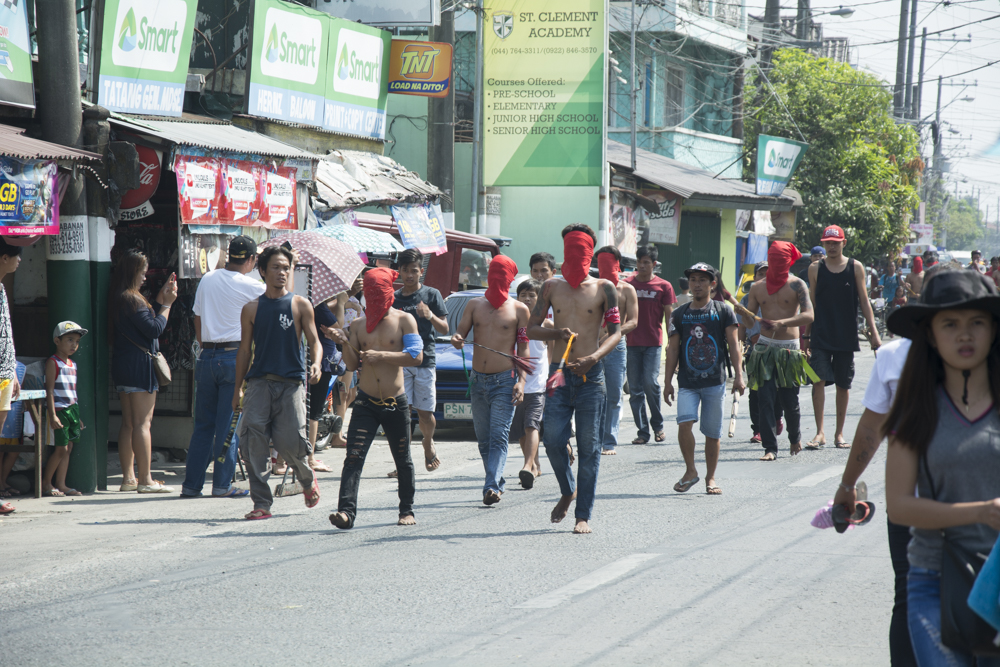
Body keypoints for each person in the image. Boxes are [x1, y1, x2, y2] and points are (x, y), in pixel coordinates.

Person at [883, 268, 1000, 667]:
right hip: (934, 580)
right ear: (931, 335)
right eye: (950, 324)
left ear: (993, 330)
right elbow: (899, 506)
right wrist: (981, 512)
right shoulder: (915, 410)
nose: (964, 335)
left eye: (976, 323)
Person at [529, 225, 621, 534]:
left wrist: (594, 357)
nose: (575, 256)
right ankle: (568, 490)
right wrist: (557, 332)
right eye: (570, 250)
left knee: (589, 447)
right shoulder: (550, 287)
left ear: (590, 254)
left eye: (581, 251)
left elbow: (616, 333)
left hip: (591, 378)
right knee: (553, 440)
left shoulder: (604, 288)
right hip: (559, 374)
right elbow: (532, 329)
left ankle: (583, 515)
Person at [232, 246, 323, 520]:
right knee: (253, 444)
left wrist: (317, 364)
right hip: (259, 384)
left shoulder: (300, 305)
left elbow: (315, 341)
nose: (282, 272)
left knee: (290, 442)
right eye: (276, 267)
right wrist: (237, 388)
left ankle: (306, 479)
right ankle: (262, 503)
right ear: (262, 271)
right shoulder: (251, 309)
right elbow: (245, 351)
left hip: (291, 385)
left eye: (286, 268)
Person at [328, 268, 423, 529]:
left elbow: (416, 357)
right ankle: (346, 512)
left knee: (402, 459)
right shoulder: (359, 325)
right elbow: (351, 364)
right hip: (366, 402)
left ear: (389, 292)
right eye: (370, 292)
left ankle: (406, 510)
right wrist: (344, 341)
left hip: (395, 403)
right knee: (353, 457)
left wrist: (382, 356)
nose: (374, 297)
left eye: (379, 292)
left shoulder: (405, 320)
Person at [181, 236, 264, 499]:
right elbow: (282, 302)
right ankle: (221, 485)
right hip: (233, 358)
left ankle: (191, 486)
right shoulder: (254, 287)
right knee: (228, 425)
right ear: (251, 260)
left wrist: (206, 345)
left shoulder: (207, 279)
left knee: (203, 427)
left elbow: (197, 317)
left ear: (229, 256)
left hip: (206, 356)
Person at [451, 255, 528, 506]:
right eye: (493, 272)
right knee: (484, 440)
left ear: (510, 278)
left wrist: (521, 381)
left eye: (502, 274)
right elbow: (460, 332)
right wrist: (457, 338)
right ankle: (496, 482)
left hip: (504, 381)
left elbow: (523, 349)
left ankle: (491, 486)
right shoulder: (474, 305)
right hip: (477, 381)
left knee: (498, 436)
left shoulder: (519, 309)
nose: (497, 278)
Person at [663, 263, 744, 495]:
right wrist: (667, 382)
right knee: (684, 424)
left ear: (712, 284)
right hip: (687, 383)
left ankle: (711, 478)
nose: (697, 284)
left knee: (712, 433)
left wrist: (739, 376)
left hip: (715, 382)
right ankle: (691, 471)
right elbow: (673, 349)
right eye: (693, 280)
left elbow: (734, 345)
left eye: (702, 280)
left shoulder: (723, 311)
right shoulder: (679, 314)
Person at [804, 225, 881, 449]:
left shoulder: (855, 267)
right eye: (828, 243)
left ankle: (839, 433)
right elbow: (812, 304)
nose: (831, 247)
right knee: (817, 380)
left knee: (843, 385)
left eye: (835, 243)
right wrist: (806, 335)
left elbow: (864, 301)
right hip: (821, 333)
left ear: (843, 243)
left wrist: (874, 333)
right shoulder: (815, 268)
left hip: (846, 335)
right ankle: (820, 432)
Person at [110, 249, 177, 494]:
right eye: (142, 273)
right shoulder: (132, 298)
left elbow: (141, 325)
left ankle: (129, 478)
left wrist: (159, 299)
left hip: (124, 365)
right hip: (139, 367)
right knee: (142, 424)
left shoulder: (120, 297)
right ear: (133, 272)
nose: (145, 278)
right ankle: (145, 480)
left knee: (128, 423)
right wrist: (167, 305)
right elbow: (153, 329)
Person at [743, 241, 815, 460]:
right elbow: (749, 321)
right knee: (764, 398)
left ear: (789, 261)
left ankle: (794, 438)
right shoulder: (757, 287)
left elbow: (809, 315)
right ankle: (770, 448)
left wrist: (783, 322)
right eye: (773, 259)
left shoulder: (797, 285)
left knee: (789, 401)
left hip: (789, 350)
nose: (776, 263)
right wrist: (744, 313)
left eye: (781, 260)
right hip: (764, 348)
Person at [393, 249, 448, 473]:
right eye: (405, 270)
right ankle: (403, 461)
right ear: (399, 271)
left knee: (425, 414)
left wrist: (429, 315)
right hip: (400, 361)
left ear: (421, 272)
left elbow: (445, 328)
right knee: (401, 414)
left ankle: (428, 442)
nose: (409, 275)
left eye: (414, 271)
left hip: (425, 362)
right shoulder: (393, 298)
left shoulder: (432, 294)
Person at [624, 244, 676, 444]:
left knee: (650, 383)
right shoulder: (627, 285)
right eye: (639, 262)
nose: (642, 266)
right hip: (631, 344)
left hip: (653, 343)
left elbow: (670, 315)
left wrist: (672, 342)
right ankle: (643, 432)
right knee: (635, 390)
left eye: (646, 262)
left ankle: (658, 425)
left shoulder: (664, 286)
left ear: (654, 264)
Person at [596, 246, 637, 455]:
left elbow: (633, 321)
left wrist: (613, 335)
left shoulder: (627, 290)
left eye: (610, 261)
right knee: (593, 394)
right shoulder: (592, 287)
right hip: (592, 345)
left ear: (618, 264)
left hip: (616, 345)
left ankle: (609, 441)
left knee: (613, 394)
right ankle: (593, 438)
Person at [510, 279, 551, 487]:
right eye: (523, 295)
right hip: (517, 385)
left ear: (540, 299)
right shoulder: (512, 322)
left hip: (537, 386)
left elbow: (551, 352)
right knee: (520, 431)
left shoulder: (546, 325)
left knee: (531, 426)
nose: (527, 299)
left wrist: (548, 376)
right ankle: (534, 463)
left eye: (532, 295)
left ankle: (528, 466)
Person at [41, 322, 87, 497]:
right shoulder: (53, 362)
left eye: (77, 341)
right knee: (61, 449)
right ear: (57, 341)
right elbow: (49, 390)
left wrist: (77, 416)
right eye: (69, 340)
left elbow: (72, 391)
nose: (74, 344)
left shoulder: (73, 364)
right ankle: (46, 483)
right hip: (59, 411)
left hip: (72, 410)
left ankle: (61, 484)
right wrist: (53, 415)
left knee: (69, 448)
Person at [740, 262, 782, 444]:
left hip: (778, 349)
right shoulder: (746, 299)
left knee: (778, 389)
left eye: (768, 273)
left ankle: (777, 417)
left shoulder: (782, 294)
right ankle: (758, 429)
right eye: (760, 274)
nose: (764, 277)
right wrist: (741, 350)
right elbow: (741, 326)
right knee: (755, 391)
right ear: (755, 277)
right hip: (754, 350)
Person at [305, 296, 341, 472]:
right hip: (320, 364)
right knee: (314, 412)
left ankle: (283, 459)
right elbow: (339, 330)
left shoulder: (304, 303)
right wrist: (342, 303)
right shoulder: (318, 305)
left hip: (308, 362)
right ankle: (310, 458)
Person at [0, 239, 22, 514]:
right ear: (4, 257)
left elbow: (7, 333)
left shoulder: (3, 289)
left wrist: (13, 369)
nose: (19, 261)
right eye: (16, 255)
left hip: (5, 372)